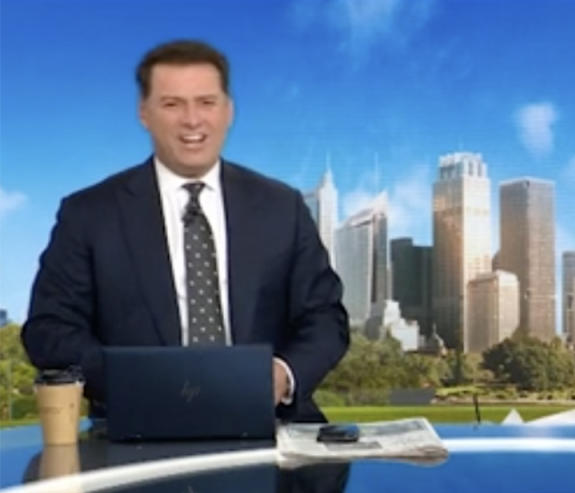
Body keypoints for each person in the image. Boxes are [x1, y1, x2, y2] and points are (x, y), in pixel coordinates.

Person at [21, 39, 349, 421]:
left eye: (206, 102)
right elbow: (49, 331)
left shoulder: (282, 207)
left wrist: (282, 374)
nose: (192, 120)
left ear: (229, 111)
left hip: (272, 421)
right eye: (172, 104)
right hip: (136, 428)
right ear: (145, 113)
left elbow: (326, 318)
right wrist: (145, 383)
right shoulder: (89, 214)